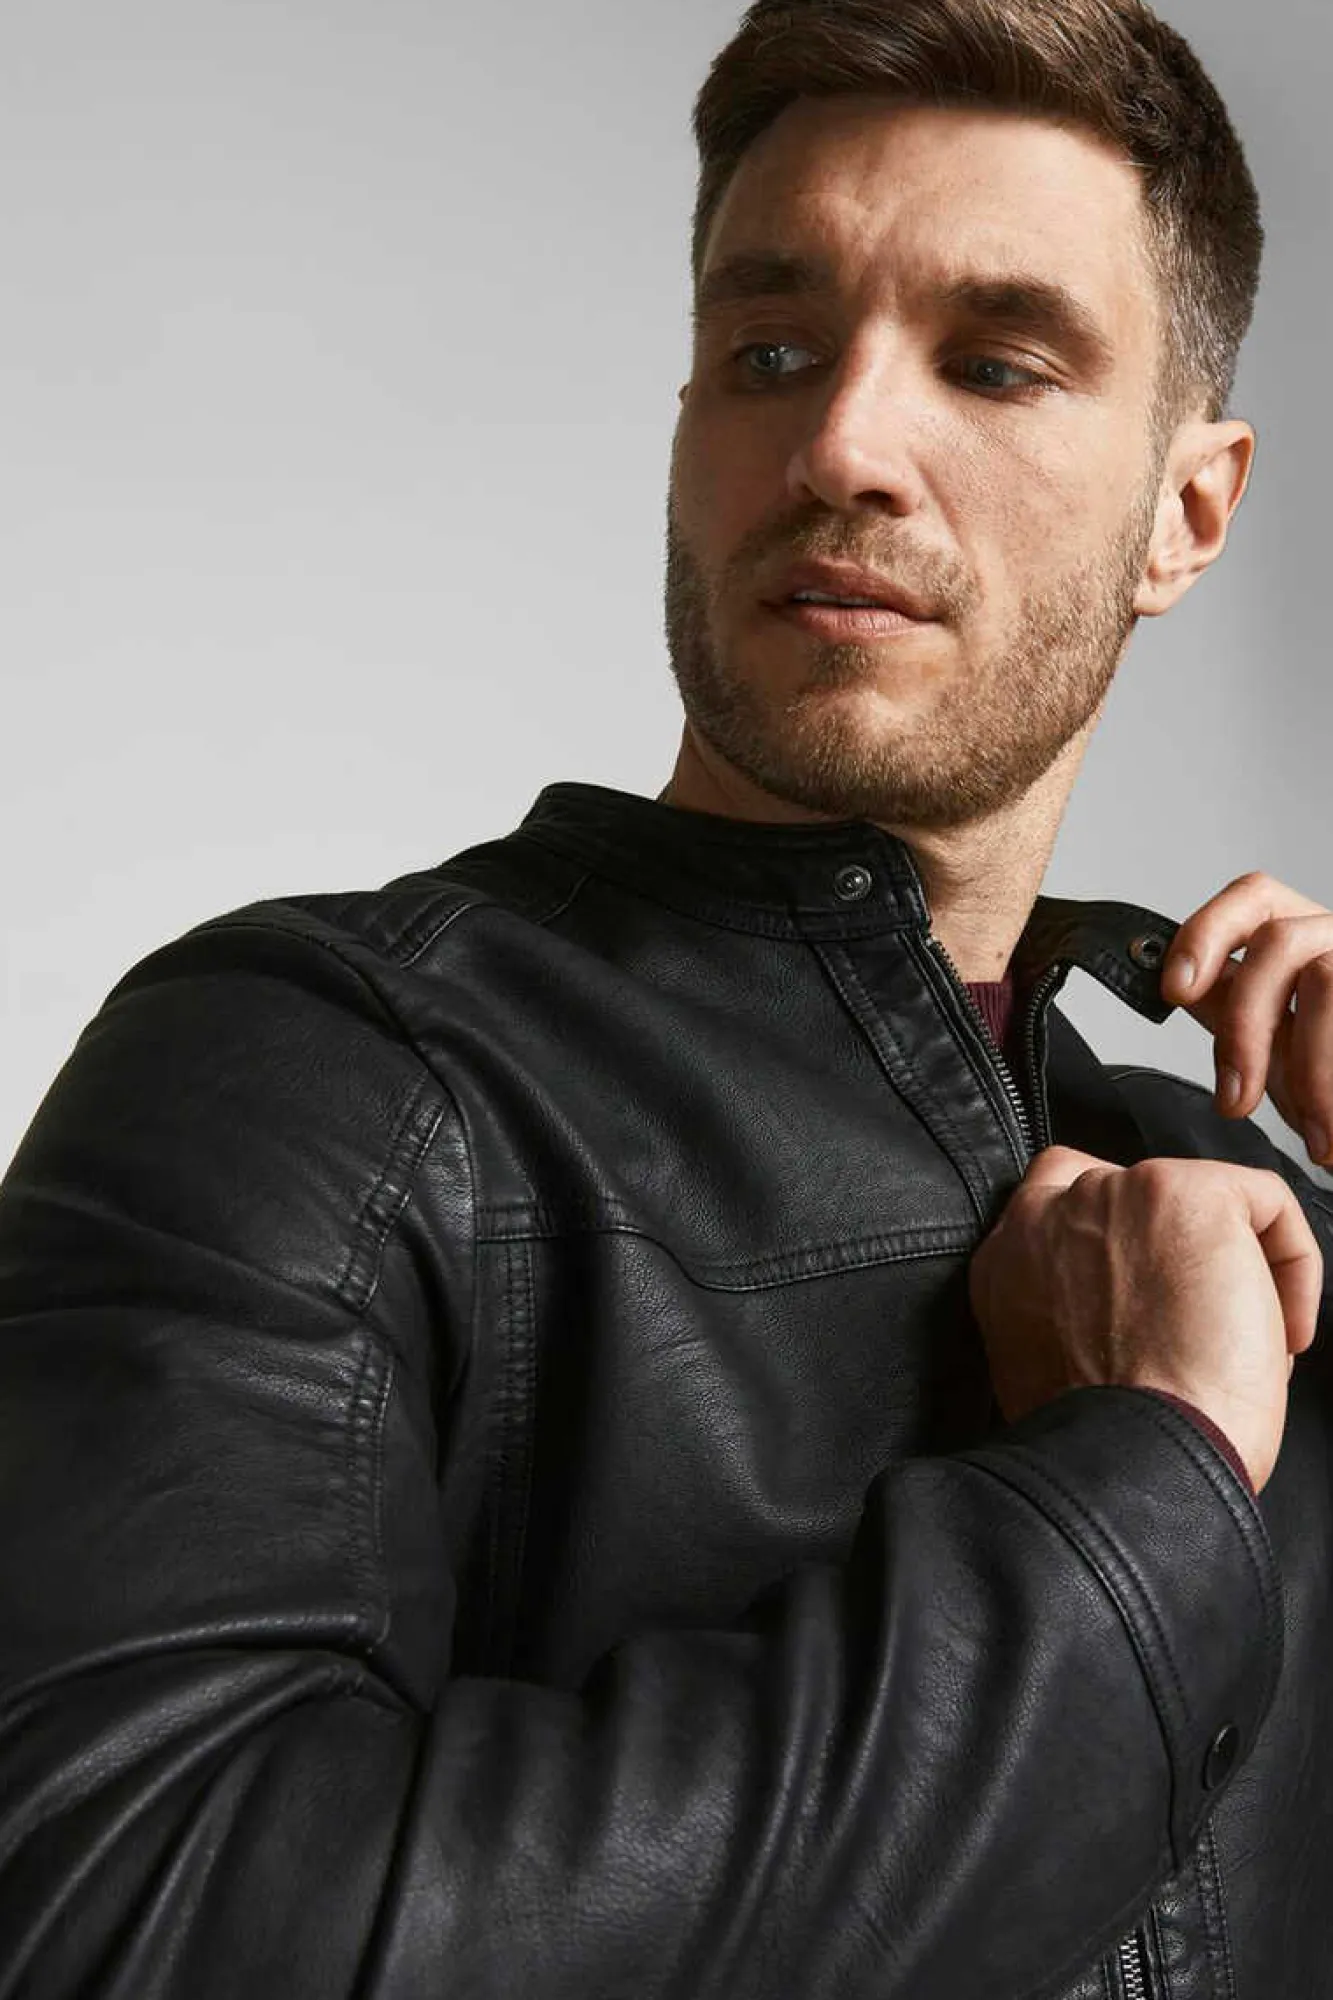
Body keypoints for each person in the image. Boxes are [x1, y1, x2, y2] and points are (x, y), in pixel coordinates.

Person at [0, 0, 1330, 1993]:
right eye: (770, 352)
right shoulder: (320, 1077)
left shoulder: (1240, 1196)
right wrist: (1145, 1478)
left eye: (996, 363)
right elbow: (130, 1928)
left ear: (1187, 513)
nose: (843, 446)